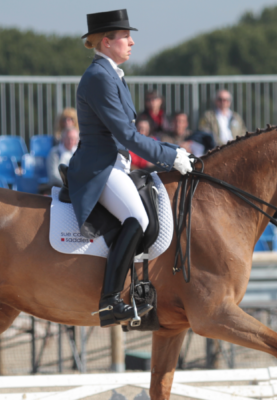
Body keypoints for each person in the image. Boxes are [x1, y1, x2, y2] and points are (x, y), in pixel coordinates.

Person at [68, 9, 192, 327]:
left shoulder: (113, 75)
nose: (132, 42)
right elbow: (127, 135)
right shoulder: (98, 76)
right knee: (137, 217)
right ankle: (110, 301)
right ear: (107, 41)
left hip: (117, 165)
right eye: (125, 36)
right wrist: (170, 155)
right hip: (100, 167)